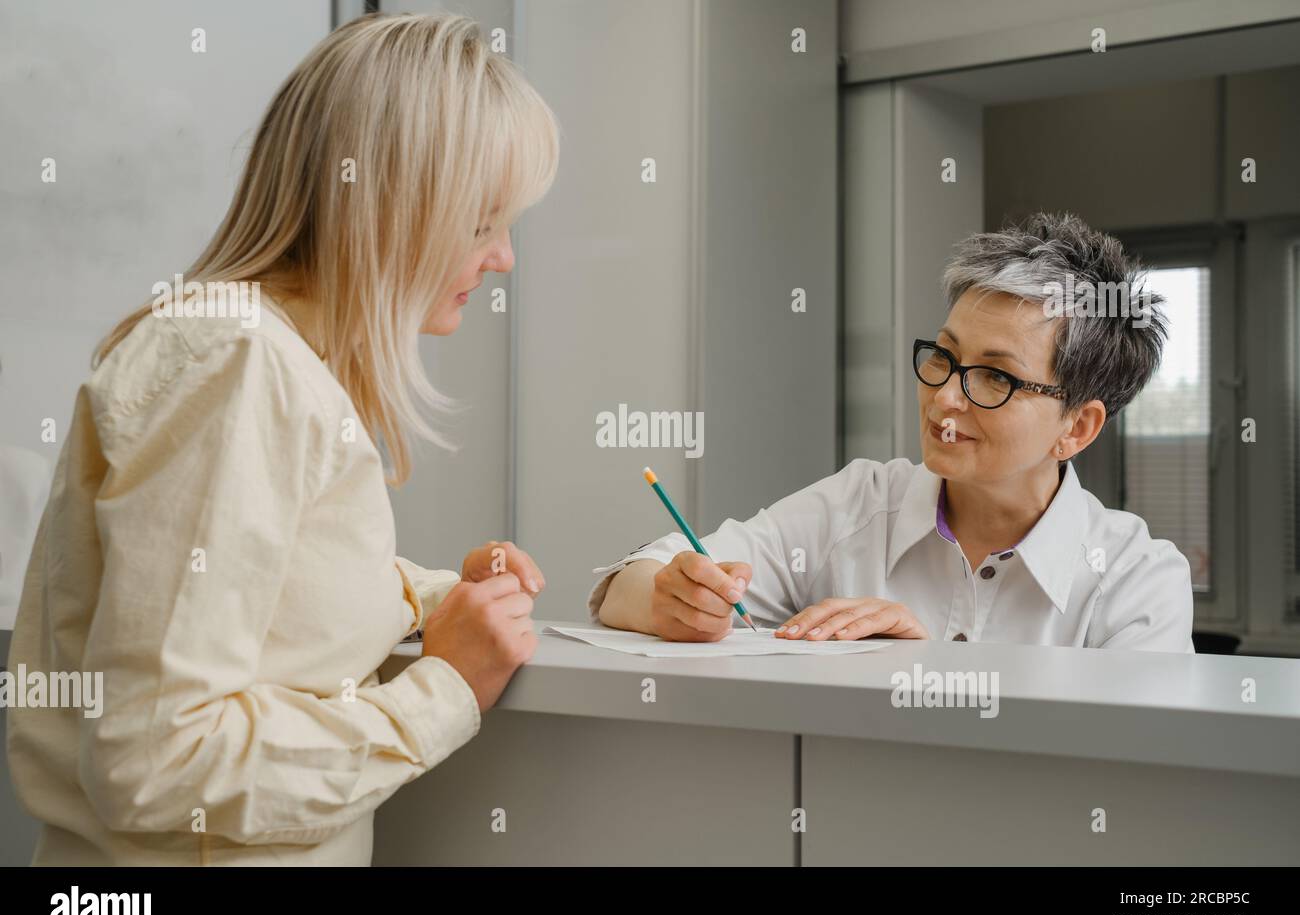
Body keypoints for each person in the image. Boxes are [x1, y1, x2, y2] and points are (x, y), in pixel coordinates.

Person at [7, 13, 559, 865]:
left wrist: (435, 599)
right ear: (391, 211)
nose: (504, 260)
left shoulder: (254, 357)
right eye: (484, 222)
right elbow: (156, 760)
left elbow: (261, 596)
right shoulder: (238, 368)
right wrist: (444, 692)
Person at [593, 212, 1194, 653]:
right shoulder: (857, 506)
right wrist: (671, 601)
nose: (945, 396)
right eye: (944, 356)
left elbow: (1129, 786)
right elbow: (629, 582)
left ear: (1077, 427)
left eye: (994, 377)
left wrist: (923, 665)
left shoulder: (1135, 580)